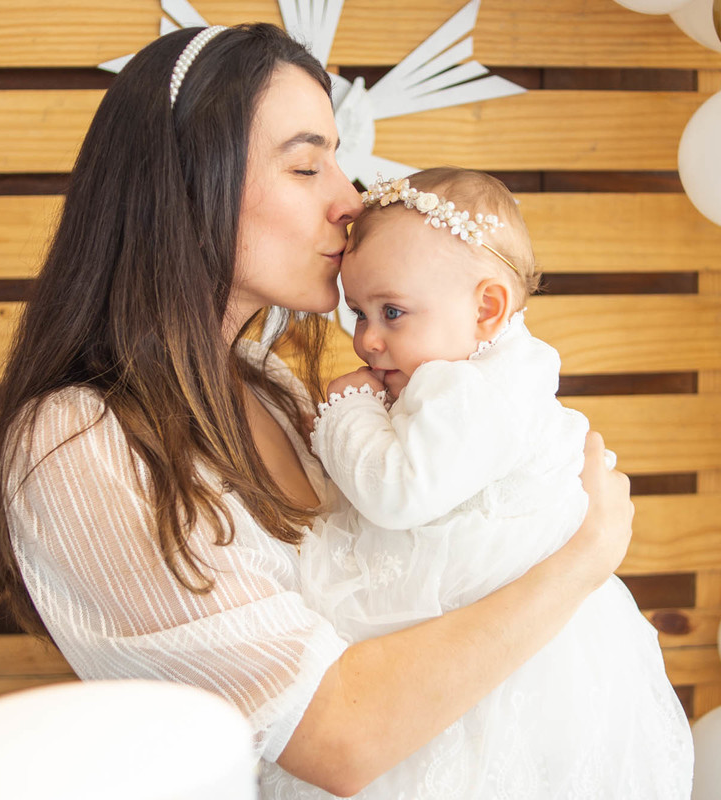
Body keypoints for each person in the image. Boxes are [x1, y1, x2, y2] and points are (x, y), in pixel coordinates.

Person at [0, 23, 637, 798]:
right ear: (186, 183)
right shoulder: (79, 441)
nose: (349, 201)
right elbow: (335, 738)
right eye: (307, 164)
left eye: (337, 162)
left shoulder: (263, 380)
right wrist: (581, 559)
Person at [295, 168, 694, 798]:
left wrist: (348, 413)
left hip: (509, 654)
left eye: (392, 311)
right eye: (359, 313)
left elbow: (399, 493)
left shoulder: (473, 392)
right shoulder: (480, 373)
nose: (367, 340)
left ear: (486, 309)